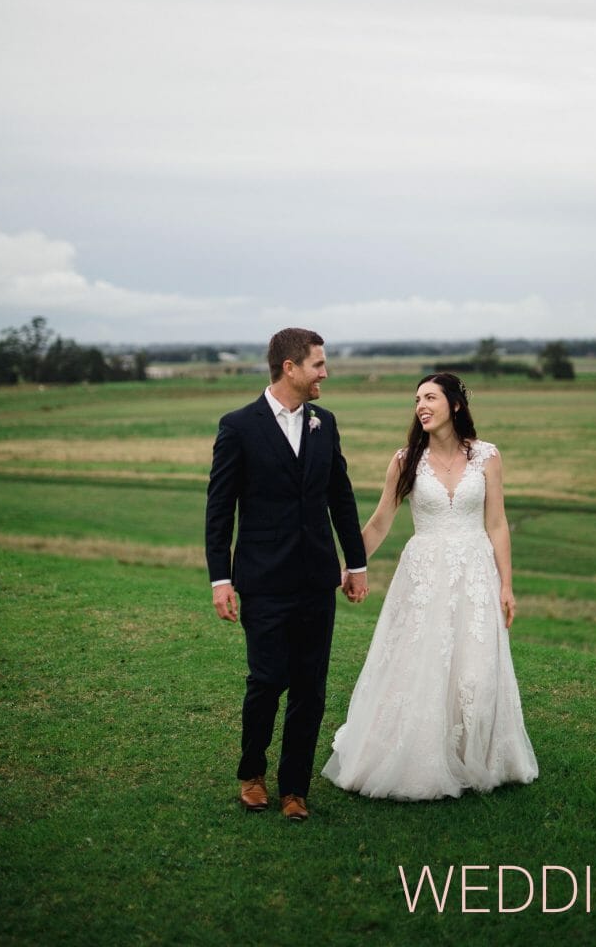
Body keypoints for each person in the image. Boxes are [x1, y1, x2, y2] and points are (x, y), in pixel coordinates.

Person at [322, 372, 538, 800]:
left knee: (474, 666)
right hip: (423, 576)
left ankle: (473, 753)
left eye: (430, 398)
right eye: (417, 400)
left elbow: (497, 524)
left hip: (476, 573)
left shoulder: (487, 456)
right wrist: (352, 567)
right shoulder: (405, 461)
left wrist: (506, 585)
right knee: (420, 664)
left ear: (455, 405)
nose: (421, 406)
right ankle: (417, 755)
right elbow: (380, 522)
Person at [205, 327, 368, 821]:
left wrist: (356, 563)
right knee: (267, 679)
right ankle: (252, 774)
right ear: (290, 368)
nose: (325, 373)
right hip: (263, 580)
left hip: (317, 579)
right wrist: (220, 579)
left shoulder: (325, 422)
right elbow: (220, 509)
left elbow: (340, 496)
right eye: (318, 364)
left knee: (310, 688)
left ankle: (294, 788)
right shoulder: (238, 426)